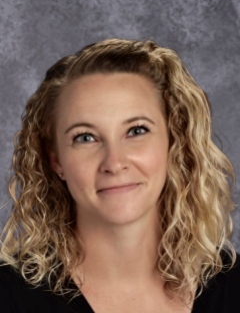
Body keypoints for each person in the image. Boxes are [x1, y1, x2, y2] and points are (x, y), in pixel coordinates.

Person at [0, 38, 239, 313]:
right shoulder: (8, 296)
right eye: (85, 137)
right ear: (56, 160)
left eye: (137, 131)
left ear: (174, 142)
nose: (114, 162)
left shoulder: (233, 287)